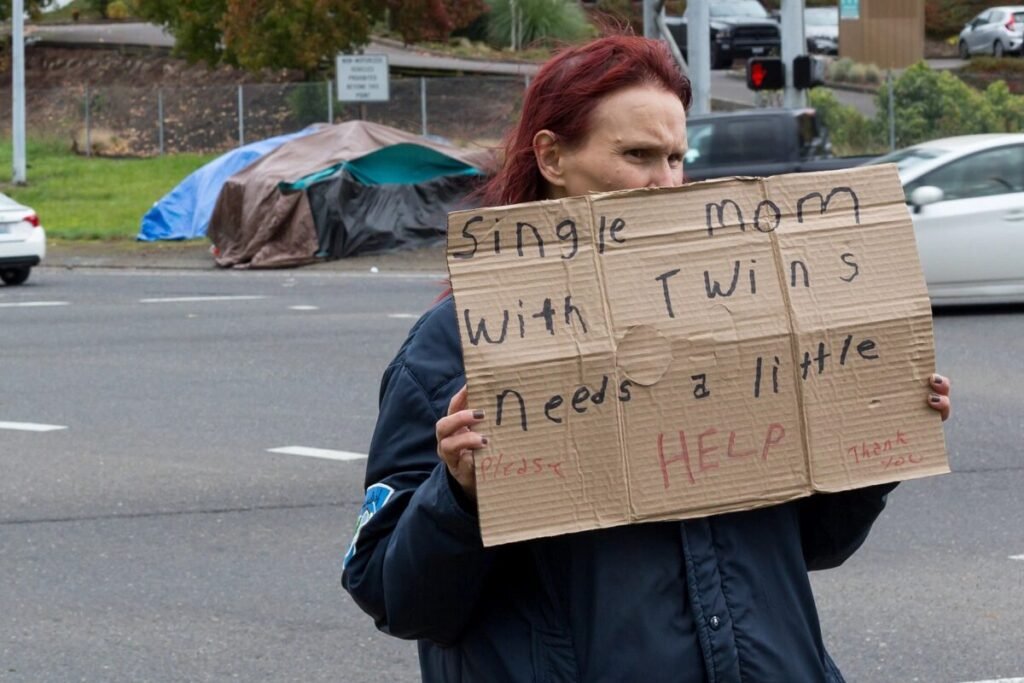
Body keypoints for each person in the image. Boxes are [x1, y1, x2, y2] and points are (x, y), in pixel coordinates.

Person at [341, 35, 952, 683]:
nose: (665, 182)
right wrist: (457, 494)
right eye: (637, 155)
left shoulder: (737, 315)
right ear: (552, 156)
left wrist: (871, 439)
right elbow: (395, 595)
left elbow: (811, 545)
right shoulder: (452, 345)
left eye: (676, 158)